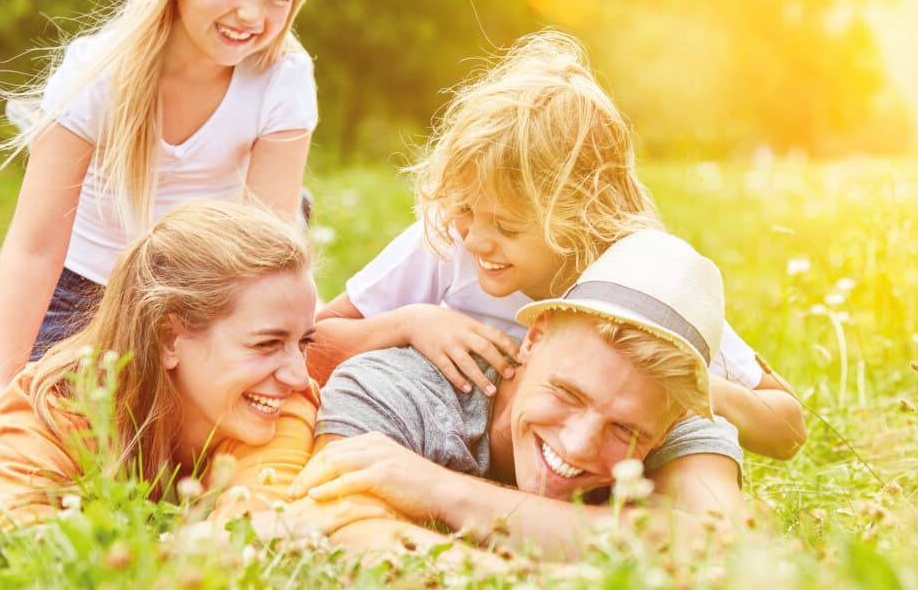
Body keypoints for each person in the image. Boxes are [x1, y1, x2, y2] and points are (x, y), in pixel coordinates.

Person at [0, 0, 323, 474]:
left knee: (212, 438)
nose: (252, 14)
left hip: (216, 290)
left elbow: (264, 254)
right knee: (24, 443)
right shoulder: (99, 72)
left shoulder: (282, 77)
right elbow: (36, 245)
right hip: (89, 291)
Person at [306, 30, 806, 459]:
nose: (476, 237)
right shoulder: (445, 241)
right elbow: (307, 345)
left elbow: (787, 428)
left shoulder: (637, 278)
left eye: (507, 227)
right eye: (464, 209)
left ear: (582, 214)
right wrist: (409, 323)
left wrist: (681, 386)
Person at [290, 230, 749, 560]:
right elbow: (339, 529)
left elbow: (722, 551)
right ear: (534, 339)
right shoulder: (395, 387)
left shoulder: (672, 418)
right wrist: (581, 587)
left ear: (670, 426)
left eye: (624, 429)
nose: (577, 445)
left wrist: (442, 491)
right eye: (568, 393)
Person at [0, 200, 357, 532]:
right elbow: (29, 546)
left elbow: (252, 535)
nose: (297, 375)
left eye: (303, 342)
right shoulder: (50, 406)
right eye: (267, 343)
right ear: (169, 338)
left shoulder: (281, 407)